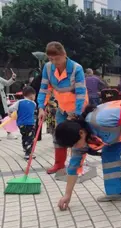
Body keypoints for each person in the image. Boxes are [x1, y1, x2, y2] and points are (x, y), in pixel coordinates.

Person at [55, 100, 121, 211]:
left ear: (81, 133)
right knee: (109, 156)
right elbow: (73, 167)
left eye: (75, 144)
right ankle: (115, 193)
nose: (76, 147)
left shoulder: (101, 119)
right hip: (120, 128)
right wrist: (67, 195)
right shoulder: (78, 140)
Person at [37, 41, 88, 175]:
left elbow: (81, 93)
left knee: (76, 136)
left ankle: (77, 166)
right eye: (51, 59)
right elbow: (44, 89)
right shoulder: (48, 68)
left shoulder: (76, 68)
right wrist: (41, 107)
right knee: (58, 135)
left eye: (57, 58)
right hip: (62, 108)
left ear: (64, 54)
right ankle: (59, 164)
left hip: (78, 107)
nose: (54, 62)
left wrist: (76, 114)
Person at [8, 86, 37, 160]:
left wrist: (10, 113)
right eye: (34, 95)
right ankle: (28, 153)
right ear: (31, 95)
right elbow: (34, 113)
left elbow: (10, 108)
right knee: (30, 138)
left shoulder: (19, 102)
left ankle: (25, 148)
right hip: (30, 124)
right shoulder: (34, 104)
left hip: (21, 124)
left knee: (24, 136)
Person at [0, 70, 17, 140]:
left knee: (6, 117)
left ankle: (9, 133)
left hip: (1, 102)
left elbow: (7, 83)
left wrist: (12, 78)